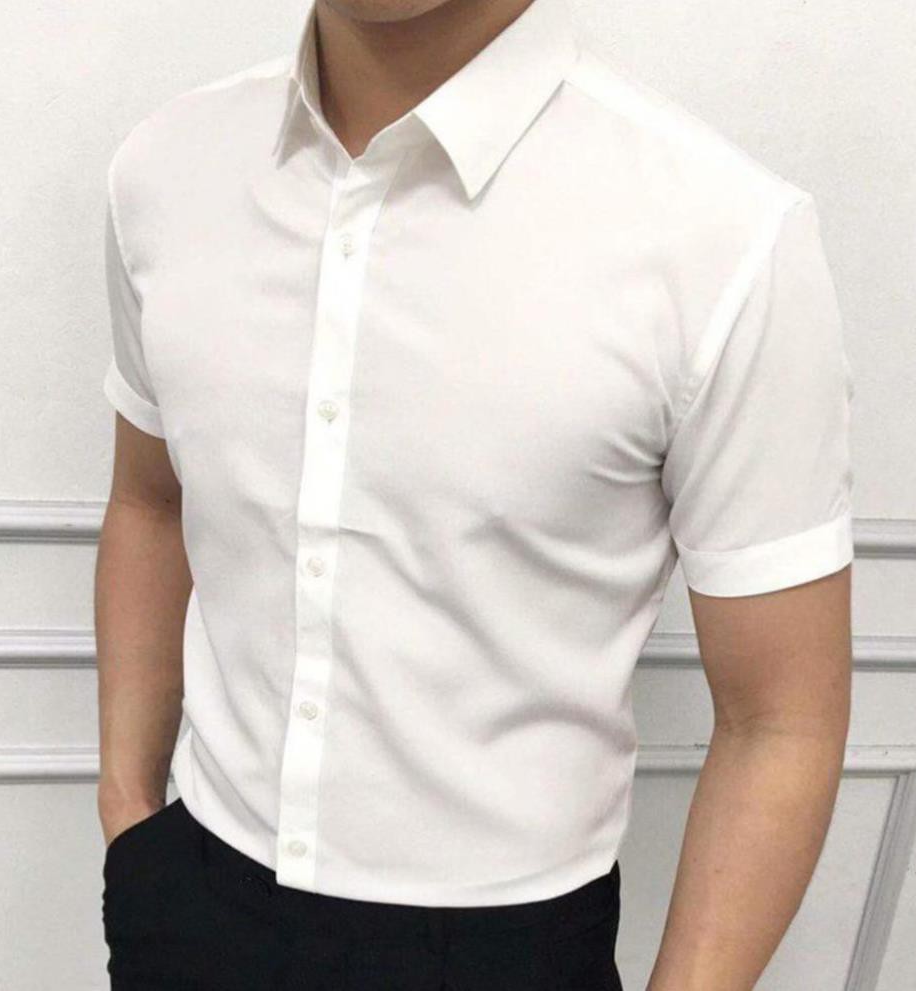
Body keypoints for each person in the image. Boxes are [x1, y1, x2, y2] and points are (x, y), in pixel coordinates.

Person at [94, 0, 856, 987]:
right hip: (192, 893)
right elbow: (150, 503)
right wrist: (129, 819)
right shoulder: (165, 169)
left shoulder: (722, 234)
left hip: (505, 944)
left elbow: (780, 719)